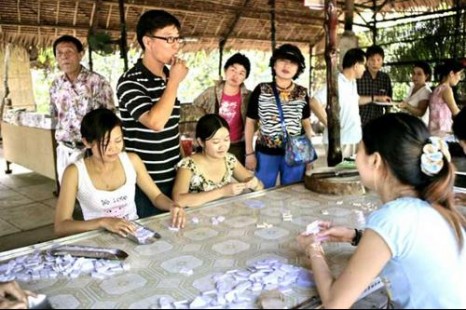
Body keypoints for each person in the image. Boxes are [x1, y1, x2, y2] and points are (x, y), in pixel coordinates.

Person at [296, 113, 466, 308]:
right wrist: (356, 236)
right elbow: (407, 246)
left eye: (359, 150)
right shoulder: (434, 203)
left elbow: (335, 303)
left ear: (375, 160)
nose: (355, 158)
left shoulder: (393, 218)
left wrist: (314, 248)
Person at [54, 109, 186, 237]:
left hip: (134, 235)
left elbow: (156, 196)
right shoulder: (75, 172)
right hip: (97, 241)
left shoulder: (132, 161)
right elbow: (61, 226)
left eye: (118, 141)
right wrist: (102, 222)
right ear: (87, 142)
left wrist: (172, 205)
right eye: (105, 143)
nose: (114, 148)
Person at [116, 10, 188, 218]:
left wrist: (184, 164)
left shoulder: (167, 77)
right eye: (168, 38)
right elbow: (155, 122)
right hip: (145, 182)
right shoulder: (130, 81)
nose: (175, 45)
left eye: (177, 38)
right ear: (148, 42)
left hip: (174, 175)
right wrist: (174, 82)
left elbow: (171, 128)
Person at [244, 44, 313, 188]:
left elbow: (306, 124)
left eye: (293, 62)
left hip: (296, 152)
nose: (287, 65)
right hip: (266, 153)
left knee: (293, 193)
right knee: (261, 191)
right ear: (274, 64)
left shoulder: (302, 92)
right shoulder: (261, 89)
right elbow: (250, 123)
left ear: (298, 69)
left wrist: (309, 157)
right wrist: (249, 153)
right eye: (282, 60)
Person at [50, 35, 115, 183]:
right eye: (59, 53)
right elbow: (55, 116)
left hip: (90, 150)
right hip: (65, 149)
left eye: (69, 52)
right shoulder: (56, 85)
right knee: (68, 194)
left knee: (91, 195)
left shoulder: (97, 82)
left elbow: (109, 119)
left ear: (81, 54)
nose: (64, 57)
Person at [172, 114, 263, 207]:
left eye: (226, 139)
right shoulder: (188, 165)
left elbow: (259, 187)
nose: (223, 146)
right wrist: (222, 192)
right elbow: (178, 200)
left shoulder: (229, 160)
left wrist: (254, 184)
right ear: (200, 142)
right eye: (216, 142)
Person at [193, 53, 252, 164]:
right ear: (225, 70)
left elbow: (255, 117)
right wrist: (205, 120)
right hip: (213, 144)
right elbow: (196, 104)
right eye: (233, 70)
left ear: (245, 77)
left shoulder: (248, 96)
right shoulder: (212, 91)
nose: (236, 75)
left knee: (235, 177)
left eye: (241, 73)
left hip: (237, 145)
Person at [309, 48, 366, 158]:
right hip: (339, 142)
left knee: (351, 173)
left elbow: (356, 100)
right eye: (363, 65)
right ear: (356, 65)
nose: (365, 69)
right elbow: (314, 102)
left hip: (353, 138)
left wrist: (375, 98)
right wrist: (331, 126)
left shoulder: (352, 82)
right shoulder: (337, 82)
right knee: (340, 173)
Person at [356, 45, 393, 126]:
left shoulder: (385, 78)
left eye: (378, 60)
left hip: (378, 123)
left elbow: (389, 102)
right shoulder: (358, 76)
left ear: (382, 61)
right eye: (372, 60)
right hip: (358, 122)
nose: (375, 63)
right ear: (366, 61)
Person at [428, 60, 463, 136]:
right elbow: (455, 111)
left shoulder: (437, 88)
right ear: (451, 73)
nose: (460, 78)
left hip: (433, 131)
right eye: (459, 74)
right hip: (443, 133)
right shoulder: (446, 89)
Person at [398, 61, 432, 125]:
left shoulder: (426, 91)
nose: (415, 76)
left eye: (419, 74)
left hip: (417, 127)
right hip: (407, 123)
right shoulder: (412, 87)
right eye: (413, 73)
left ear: (426, 76)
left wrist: (407, 106)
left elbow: (421, 113)